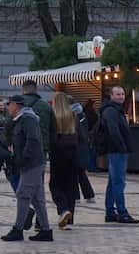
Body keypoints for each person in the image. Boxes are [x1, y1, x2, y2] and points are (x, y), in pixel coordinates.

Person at [1, 93, 52, 242]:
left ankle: (18, 229)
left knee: (23, 194)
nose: (7, 107)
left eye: (9, 104)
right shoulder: (22, 119)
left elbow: (33, 140)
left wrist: (23, 159)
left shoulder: (28, 119)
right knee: (37, 199)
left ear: (16, 105)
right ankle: (46, 231)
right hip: (32, 162)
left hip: (32, 163)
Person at [98, 85, 139, 224]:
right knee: (118, 182)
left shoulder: (115, 110)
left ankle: (110, 212)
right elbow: (113, 130)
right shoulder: (111, 111)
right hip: (116, 151)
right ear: (111, 96)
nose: (121, 96)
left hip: (117, 150)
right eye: (117, 94)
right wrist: (122, 146)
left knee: (113, 182)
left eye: (122, 94)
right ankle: (122, 212)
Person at [48, 92, 85, 229]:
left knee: (56, 185)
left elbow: (51, 138)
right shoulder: (73, 116)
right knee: (70, 186)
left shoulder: (53, 117)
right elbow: (81, 137)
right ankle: (69, 219)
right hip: (73, 154)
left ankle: (63, 210)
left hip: (58, 155)